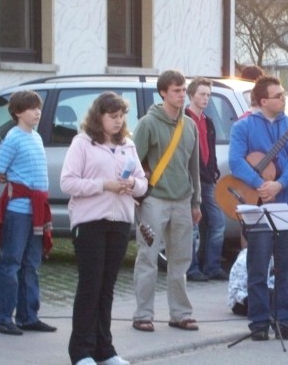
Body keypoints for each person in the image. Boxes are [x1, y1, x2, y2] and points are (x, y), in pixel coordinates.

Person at [61, 92, 148, 365]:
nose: (118, 121)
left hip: (120, 221)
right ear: (99, 116)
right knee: (90, 285)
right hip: (90, 222)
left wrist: (133, 185)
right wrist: (103, 185)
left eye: (121, 116)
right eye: (112, 116)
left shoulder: (128, 145)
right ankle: (81, 351)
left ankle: (105, 350)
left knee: (107, 286)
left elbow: (143, 182)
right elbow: (68, 183)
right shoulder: (82, 143)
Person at [229, 75, 288, 341]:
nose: (284, 98)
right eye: (278, 95)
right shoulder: (243, 127)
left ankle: (285, 321)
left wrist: (280, 184)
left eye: (283, 94)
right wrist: (260, 183)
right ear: (263, 101)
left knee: (287, 267)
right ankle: (259, 323)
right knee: (258, 265)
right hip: (257, 204)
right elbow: (236, 161)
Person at [132, 70, 202, 333]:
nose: (182, 94)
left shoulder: (191, 125)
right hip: (154, 201)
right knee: (147, 258)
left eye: (184, 90)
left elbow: (193, 167)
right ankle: (143, 315)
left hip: (183, 200)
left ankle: (180, 314)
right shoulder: (148, 123)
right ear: (163, 93)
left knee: (181, 260)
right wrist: (139, 192)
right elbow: (132, 163)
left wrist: (197, 202)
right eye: (177, 90)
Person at [0, 90, 55, 336]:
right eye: (31, 108)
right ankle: (2, 317)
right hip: (18, 211)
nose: (37, 111)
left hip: (35, 211)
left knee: (31, 264)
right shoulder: (13, 138)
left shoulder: (35, 137)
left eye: (38, 107)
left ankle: (28, 315)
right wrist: (13, 181)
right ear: (18, 112)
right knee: (11, 262)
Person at [184, 77, 228, 282]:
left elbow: (210, 150)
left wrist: (214, 171)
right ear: (191, 95)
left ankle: (212, 266)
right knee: (192, 226)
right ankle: (191, 269)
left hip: (208, 181)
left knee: (218, 222)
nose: (206, 98)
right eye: (202, 94)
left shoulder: (208, 121)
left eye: (208, 95)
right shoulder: (184, 119)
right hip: (191, 181)